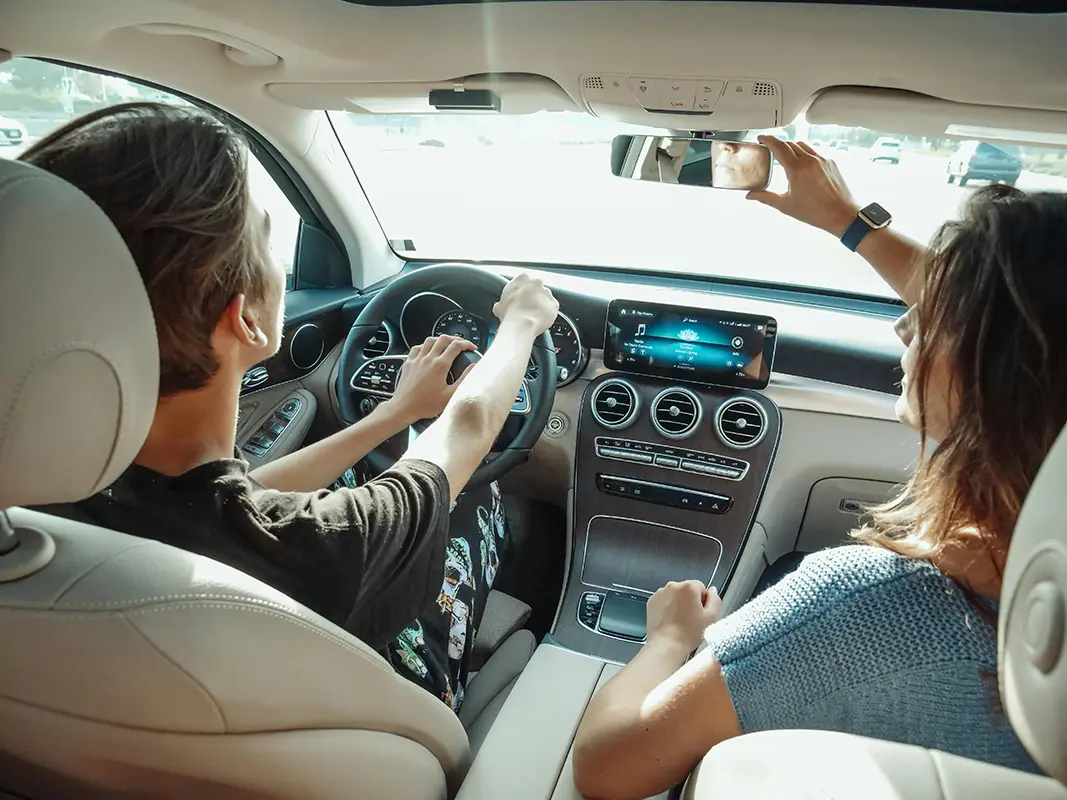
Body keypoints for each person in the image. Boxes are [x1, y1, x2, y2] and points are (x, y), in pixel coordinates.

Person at [23, 102, 559, 714]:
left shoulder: (49, 501)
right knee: (471, 501)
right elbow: (468, 427)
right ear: (245, 316)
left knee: (365, 472)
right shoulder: (325, 549)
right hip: (393, 723)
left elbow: (231, 499)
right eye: (265, 237)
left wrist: (388, 417)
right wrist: (521, 324)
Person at [572, 135, 1065, 798]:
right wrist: (847, 221)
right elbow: (1023, 320)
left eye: (939, 315)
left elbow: (606, 766)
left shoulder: (870, 611)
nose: (902, 327)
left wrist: (668, 636)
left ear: (994, 372)